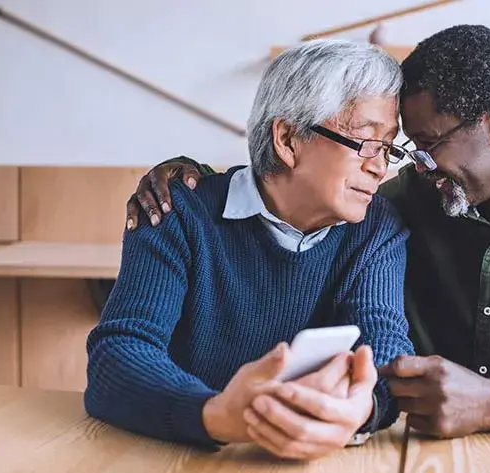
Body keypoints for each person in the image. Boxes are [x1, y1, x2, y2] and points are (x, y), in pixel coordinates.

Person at [124, 25, 490, 441]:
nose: (402, 166)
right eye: (402, 148)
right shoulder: (398, 203)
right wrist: (184, 179)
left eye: (426, 146)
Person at [84, 38, 415, 460]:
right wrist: (216, 414)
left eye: (387, 147)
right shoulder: (178, 211)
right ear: (288, 139)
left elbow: (387, 347)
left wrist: (362, 410)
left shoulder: (376, 228)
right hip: (180, 454)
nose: (379, 166)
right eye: (366, 142)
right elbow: (119, 355)